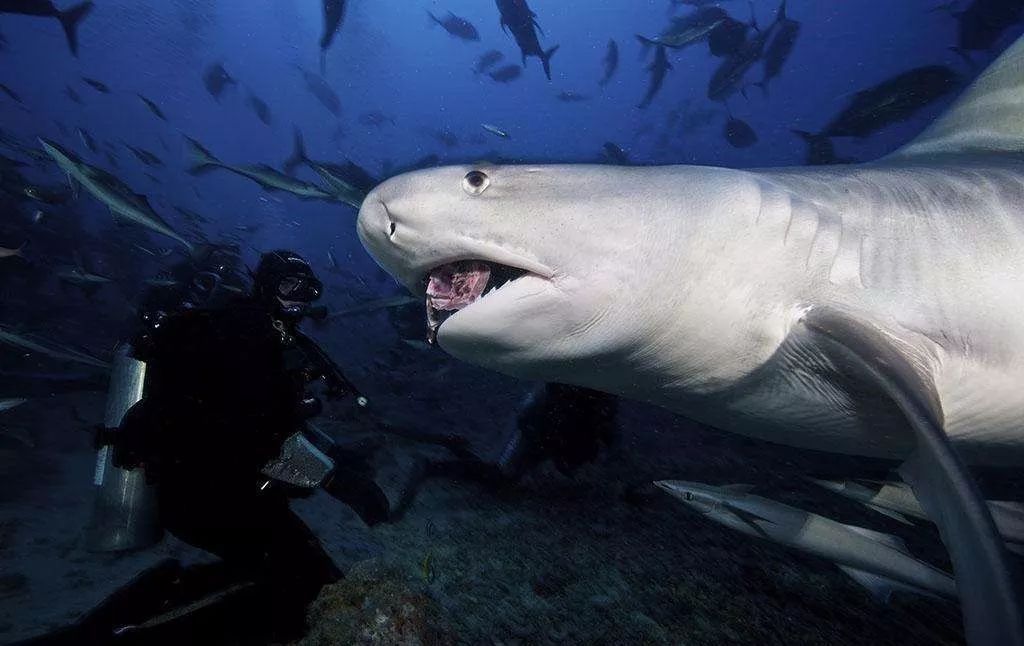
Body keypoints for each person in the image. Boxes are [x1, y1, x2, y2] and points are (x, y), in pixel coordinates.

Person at [92, 249, 387, 642]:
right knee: (310, 593)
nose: (300, 298)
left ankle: (157, 594)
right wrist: (333, 479)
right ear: (265, 287)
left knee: (294, 574)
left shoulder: (264, 337)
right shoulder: (243, 337)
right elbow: (247, 433)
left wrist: (336, 457)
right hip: (200, 493)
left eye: (309, 289)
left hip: (224, 491)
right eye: (289, 286)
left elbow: (275, 424)